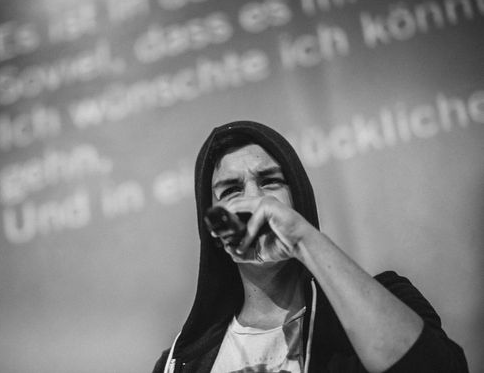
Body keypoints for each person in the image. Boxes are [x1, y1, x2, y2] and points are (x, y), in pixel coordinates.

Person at [153, 121, 468, 373]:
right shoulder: (180, 363)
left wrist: (302, 239)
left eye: (270, 181)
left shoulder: (385, 301)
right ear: (213, 228)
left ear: (299, 199)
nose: (254, 199)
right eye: (231, 190)